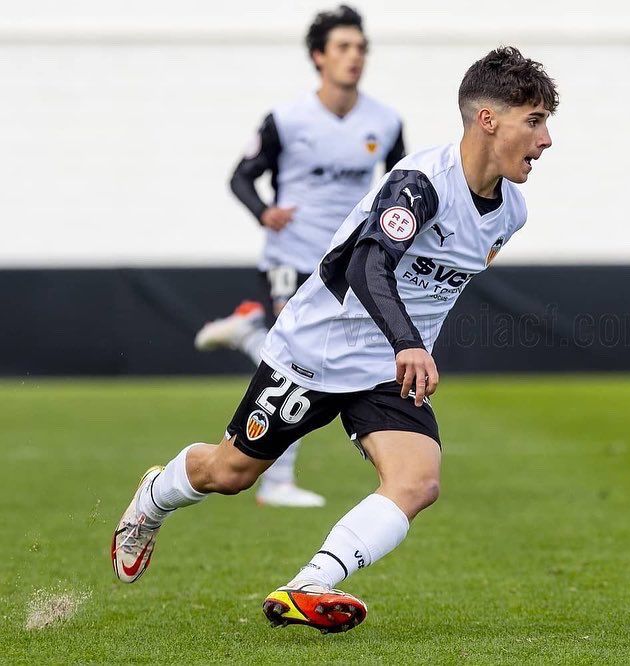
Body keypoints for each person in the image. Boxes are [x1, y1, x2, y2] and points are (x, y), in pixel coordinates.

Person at [112, 46, 557, 635]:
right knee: (231, 473)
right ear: (488, 119)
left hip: (386, 371)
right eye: (535, 120)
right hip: (315, 353)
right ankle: (153, 499)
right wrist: (410, 341)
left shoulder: (512, 211)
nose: (547, 139)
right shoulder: (421, 183)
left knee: (418, 482)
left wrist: (405, 345)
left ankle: (309, 584)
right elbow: (365, 268)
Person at [194, 6, 406, 508]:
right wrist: (265, 213)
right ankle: (276, 480)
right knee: (300, 357)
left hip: (347, 262)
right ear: (319, 56)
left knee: (317, 353)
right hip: (293, 254)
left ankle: (248, 331)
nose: (354, 57)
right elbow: (240, 176)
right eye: (343, 48)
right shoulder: (287, 120)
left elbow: (404, 183)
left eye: (361, 48)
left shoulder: (385, 119)